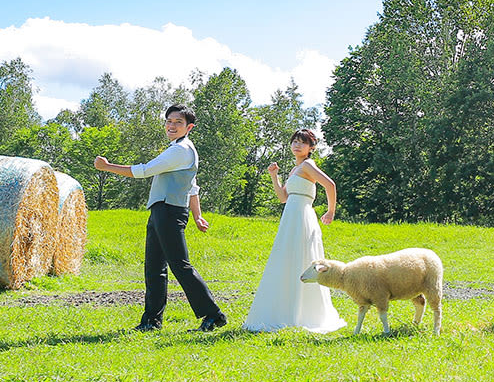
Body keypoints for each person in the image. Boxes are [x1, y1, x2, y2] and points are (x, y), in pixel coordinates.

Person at [94, 104, 227, 333]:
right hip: (161, 210)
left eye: (178, 122)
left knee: (180, 266)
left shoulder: (180, 150)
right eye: (169, 121)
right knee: (154, 268)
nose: (172, 126)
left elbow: (144, 170)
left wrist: (107, 167)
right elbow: (193, 188)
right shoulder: (178, 148)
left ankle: (214, 315)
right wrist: (197, 216)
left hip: (170, 211)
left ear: (189, 127)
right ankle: (151, 321)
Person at [242, 129, 346, 333]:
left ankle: (304, 311)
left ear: (311, 148)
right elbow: (282, 197)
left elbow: (330, 185)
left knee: (303, 257)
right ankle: (285, 309)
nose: (297, 145)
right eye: (294, 142)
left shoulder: (308, 165)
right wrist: (274, 176)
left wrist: (331, 211)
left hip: (303, 215)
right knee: (286, 258)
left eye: (302, 142)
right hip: (290, 215)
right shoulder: (294, 169)